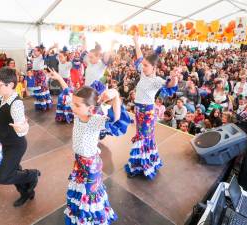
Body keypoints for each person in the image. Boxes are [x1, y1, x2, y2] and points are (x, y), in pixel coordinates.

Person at [45, 77, 120, 224]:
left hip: (91, 165)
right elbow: (67, 91)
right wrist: (59, 78)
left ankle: (90, 219)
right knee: (82, 190)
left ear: (91, 109)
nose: (72, 106)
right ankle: (82, 213)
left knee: (89, 192)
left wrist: (116, 95)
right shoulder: (78, 113)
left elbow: (115, 118)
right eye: (73, 103)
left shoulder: (94, 120)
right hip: (79, 161)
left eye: (76, 105)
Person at [124, 32, 178, 180]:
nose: (143, 67)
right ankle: (143, 163)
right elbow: (140, 55)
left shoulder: (156, 80)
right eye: (143, 65)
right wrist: (136, 41)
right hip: (138, 111)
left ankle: (141, 166)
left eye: (146, 66)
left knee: (143, 138)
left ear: (154, 67)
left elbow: (170, 85)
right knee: (144, 138)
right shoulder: (143, 73)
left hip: (147, 113)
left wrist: (174, 77)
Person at [0, 67, 41, 207]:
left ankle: (32, 174)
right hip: (6, 142)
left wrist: (22, 127)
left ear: (11, 85)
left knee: (2, 177)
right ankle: (26, 192)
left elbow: (22, 128)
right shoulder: (3, 98)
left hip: (16, 145)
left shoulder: (16, 104)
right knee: (13, 171)